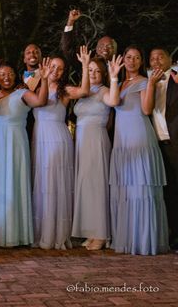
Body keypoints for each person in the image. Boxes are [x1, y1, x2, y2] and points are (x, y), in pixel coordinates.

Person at [0, 61, 51, 248]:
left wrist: (44, 80)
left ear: (15, 75)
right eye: (2, 74)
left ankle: (16, 233)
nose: (6, 77)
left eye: (10, 73)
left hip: (16, 143)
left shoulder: (23, 93)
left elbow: (41, 102)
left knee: (15, 182)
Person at [110, 46, 168, 255]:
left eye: (136, 57)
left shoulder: (145, 81)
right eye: (128, 57)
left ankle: (144, 241)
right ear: (122, 59)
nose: (132, 61)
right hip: (122, 141)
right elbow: (114, 102)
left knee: (141, 189)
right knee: (126, 189)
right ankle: (128, 238)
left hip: (140, 138)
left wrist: (151, 84)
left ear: (141, 61)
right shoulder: (119, 82)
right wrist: (114, 77)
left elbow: (146, 109)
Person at [31, 50, 90, 250]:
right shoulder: (35, 85)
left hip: (57, 138)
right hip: (39, 137)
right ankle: (43, 231)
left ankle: (55, 234)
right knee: (42, 184)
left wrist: (84, 65)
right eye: (53, 66)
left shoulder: (64, 91)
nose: (55, 70)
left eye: (60, 68)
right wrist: (42, 78)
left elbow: (84, 91)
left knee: (54, 183)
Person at [71, 55, 121, 250]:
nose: (92, 74)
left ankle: (100, 233)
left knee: (96, 185)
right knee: (85, 185)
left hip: (96, 140)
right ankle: (90, 230)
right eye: (89, 70)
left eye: (96, 71)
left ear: (103, 74)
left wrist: (114, 77)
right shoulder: (82, 91)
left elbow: (114, 101)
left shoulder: (104, 91)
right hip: (81, 142)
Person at [148, 47, 178, 249]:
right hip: (154, 145)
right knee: (166, 193)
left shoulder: (176, 79)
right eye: (152, 58)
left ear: (169, 59)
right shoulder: (147, 82)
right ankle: (168, 235)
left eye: (160, 56)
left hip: (174, 143)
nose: (156, 60)